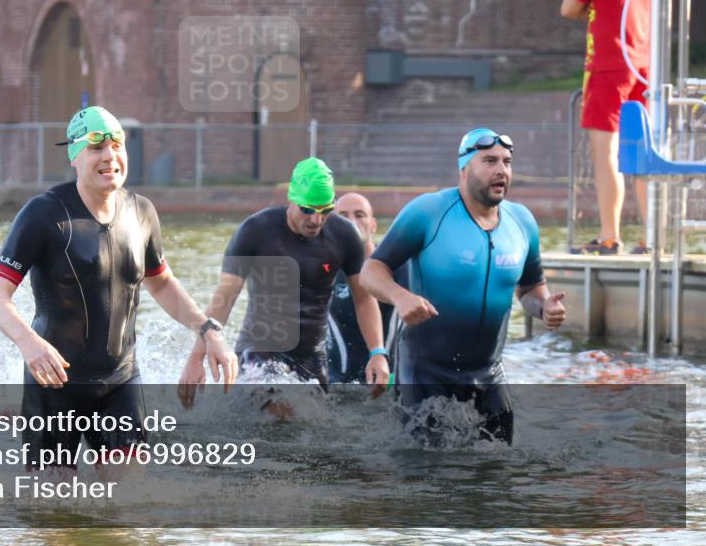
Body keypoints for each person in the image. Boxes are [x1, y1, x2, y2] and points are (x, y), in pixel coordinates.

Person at [0, 106, 237, 470]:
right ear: (74, 155)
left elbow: (161, 282)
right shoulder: (44, 214)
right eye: (96, 148)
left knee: (127, 506)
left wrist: (209, 331)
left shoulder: (141, 212)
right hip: (55, 383)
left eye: (117, 145)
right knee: (55, 514)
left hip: (119, 380)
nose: (110, 157)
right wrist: (29, 343)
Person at [360, 129, 566, 444]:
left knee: (498, 472)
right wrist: (400, 297)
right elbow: (371, 270)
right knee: (429, 478)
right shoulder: (429, 212)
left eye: (507, 162)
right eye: (490, 161)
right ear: (464, 168)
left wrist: (544, 307)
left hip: (488, 374)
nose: (502, 170)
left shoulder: (522, 222)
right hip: (426, 374)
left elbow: (531, 288)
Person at [180, 158, 390, 405]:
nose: (316, 220)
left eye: (324, 210)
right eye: (307, 209)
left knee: (317, 429)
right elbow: (225, 296)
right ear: (292, 198)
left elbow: (364, 298)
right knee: (282, 407)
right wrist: (197, 357)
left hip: (312, 356)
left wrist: (378, 352)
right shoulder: (257, 230)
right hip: (259, 350)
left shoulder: (344, 235)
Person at [560, 0, 654, 255]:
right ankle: (652, 238)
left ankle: (610, 236)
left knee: (606, 154)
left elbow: (568, 7)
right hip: (646, 67)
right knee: (646, 156)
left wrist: (593, 7)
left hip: (609, 65)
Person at [326, 192, 408, 384]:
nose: (351, 222)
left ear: (373, 225)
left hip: (390, 382)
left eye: (359, 215)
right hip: (338, 385)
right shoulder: (324, 270)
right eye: (343, 216)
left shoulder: (399, 266)